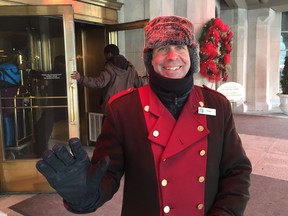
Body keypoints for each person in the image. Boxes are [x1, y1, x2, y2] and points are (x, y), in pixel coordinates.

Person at [36, 16, 252, 216]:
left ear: (191, 56)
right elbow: (107, 173)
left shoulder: (217, 105)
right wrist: (82, 193)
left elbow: (236, 170)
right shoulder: (123, 108)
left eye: (180, 47)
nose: (172, 56)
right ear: (150, 59)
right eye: (162, 48)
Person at [71, 44, 148, 115]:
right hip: (127, 106)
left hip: (112, 106)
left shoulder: (110, 67)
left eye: (105, 55)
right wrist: (152, 78)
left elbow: (99, 82)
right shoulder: (130, 67)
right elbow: (139, 82)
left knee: (108, 129)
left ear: (109, 54)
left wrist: (80, 78)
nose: (104, 57)